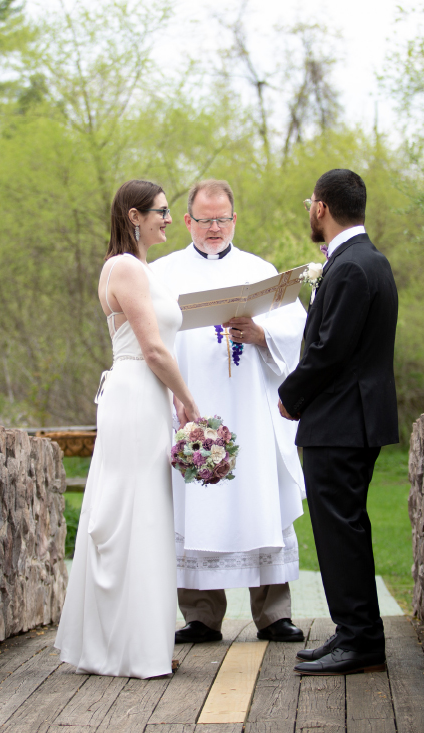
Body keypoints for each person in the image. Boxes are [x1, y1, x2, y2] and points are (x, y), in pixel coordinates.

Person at [55, 180, 202, 679]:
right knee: (128, 516)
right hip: (137, 392)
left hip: (146, 395)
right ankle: (127, 647)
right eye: (162, 211)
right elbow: (154, 349)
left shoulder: (142, 270)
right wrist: (189, 402)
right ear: (135, 216)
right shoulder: (123, 268)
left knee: (146, 515)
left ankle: (142, 640)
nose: (168, 218)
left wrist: (173, 399)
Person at [152, 179, 308, 645]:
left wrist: (261, 333)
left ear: (234, 219)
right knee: (194, 504)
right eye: (205, 219)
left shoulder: (261, 271)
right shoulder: (162, 274)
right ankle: (201, 615)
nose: (214, 227)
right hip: (191, 407)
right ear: (187, 222)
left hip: (250, 412)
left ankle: (273, 613)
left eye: (222, 219)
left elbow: (292, 330)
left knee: (259, 498)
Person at [277, 169, 399, 675]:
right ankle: (352, 631)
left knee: (340, 532)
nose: (310, 210)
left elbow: (329, 351)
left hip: (342, 422)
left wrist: (291, 395)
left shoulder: (350, 268)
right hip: (350, 419)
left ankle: (363, 642)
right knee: (341, 530)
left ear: (322, 208)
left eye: (311, 202)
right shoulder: (366, 260)